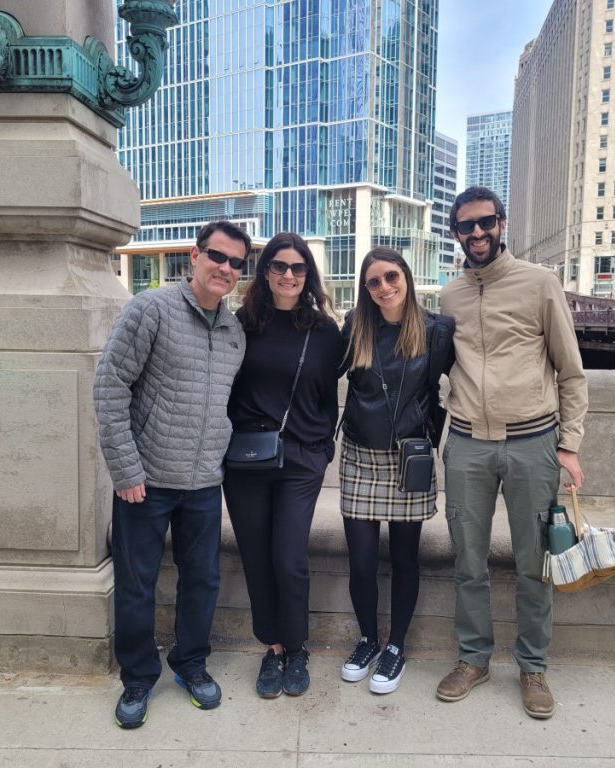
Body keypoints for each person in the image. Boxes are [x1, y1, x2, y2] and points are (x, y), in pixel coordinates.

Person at [436, 187, 587, 719]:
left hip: (533, 443)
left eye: (484, 223)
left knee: (534, 564)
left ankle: (533, 666)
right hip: (468, 444)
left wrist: (569, 444)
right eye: (465, 227)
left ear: (502, 223)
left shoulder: (540, 283)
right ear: (454, 233)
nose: (476, 234)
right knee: (468, 563)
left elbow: (570, 372)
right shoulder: (449, 295)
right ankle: (474, 659)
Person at [94, 221, 250, 729]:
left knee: (202, 580)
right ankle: (138, 679)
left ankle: (190, 663)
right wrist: (125, 468)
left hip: (204, 481)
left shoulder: (233, 332)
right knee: (137, 584)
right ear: (195, 256)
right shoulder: (150, 309)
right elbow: (110, 387)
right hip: (146, 481)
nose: (225, 268)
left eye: (235, 263)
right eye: (217, 256)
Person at [222, 232, 343, 699]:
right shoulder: (242, 323)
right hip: (247, 459)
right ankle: (272, 648)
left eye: (297, 268)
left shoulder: (324, 330)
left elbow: (327, 399)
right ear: (265, 271)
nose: (288, 275)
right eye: (278, 266)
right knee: (255, 556)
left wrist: (321, 450)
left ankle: (297, 647)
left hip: (301, 460)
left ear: (308, 275)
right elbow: (225, 389)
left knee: (289, 558)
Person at [337, 247, 454, 695]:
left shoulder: (436, 330)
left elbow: (454, 386)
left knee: (405, 558)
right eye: (374, 282)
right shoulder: (355, 328)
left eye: (391, 277)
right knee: (362, 561)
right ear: (365, 289)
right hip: (361, 457)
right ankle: (367, 639)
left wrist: (431, 435)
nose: (384, 287)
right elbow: (317, 372)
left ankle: (396, 646)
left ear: (405, 276)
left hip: (409, 457)